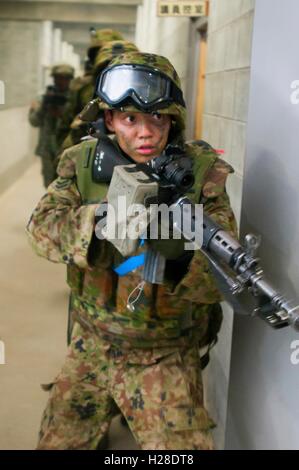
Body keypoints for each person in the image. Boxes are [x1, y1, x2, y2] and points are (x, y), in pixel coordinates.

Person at [26, 52, 237, 450]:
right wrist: (99, 222)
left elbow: (219, 282)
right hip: (91, 343)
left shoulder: (202, 176)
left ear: (173, 121)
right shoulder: (84, 164)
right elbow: (40, 230)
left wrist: (177, 256)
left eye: (158, 118)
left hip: (165, 353)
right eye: (130, 119)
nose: (146, 133)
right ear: (109, 120)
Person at [28, 64, 74, 188]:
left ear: (70, 79)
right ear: (53, 79)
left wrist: (63, 115)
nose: (61, 81)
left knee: (67, 185)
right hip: (47, 149)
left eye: (65, 78)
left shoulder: (75, 99)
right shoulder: (43, 97)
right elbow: (34, 121)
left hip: (68, 149)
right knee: (49, 185)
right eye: (58, 77)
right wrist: (43, 107)